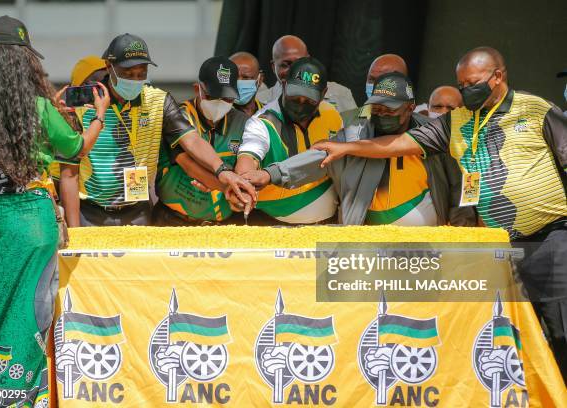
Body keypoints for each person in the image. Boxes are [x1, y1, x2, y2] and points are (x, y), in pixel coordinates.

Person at [314, 46, 567, 380]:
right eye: (461, 85)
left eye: (473, 83)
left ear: (498, 76)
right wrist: (348, 146)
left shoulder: (534, 109)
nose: (466, 92)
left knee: (562, 329)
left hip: (551, 238)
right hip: (502, 246)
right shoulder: (457, 121)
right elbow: (402, 143)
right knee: (515, 337)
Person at [0, 15, 110, 406]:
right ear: (24, 62)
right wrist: (99, 116)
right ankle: (16, 396)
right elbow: (75, 150)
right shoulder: (38, 107)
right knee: (28, 310)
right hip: (31, 220)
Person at [60, 33, 255, 227]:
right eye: (128, 74)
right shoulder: (80, 104)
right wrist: (76, 232)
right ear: (109, 67)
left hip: (138, 212)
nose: (135, 80)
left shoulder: (159, 101)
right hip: (89, 212)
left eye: (141, 73)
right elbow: (69, 172)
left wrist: (221, 171)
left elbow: (192, 140)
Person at [241, 72, 476, 227]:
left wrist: (462, 232)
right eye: (377, 108)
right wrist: (269, 174)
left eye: (390, 109)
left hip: (426, 249)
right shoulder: (357, 134)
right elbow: (320, 157)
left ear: (410, 107)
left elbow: (463, 180)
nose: (382, 115)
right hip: (366, 246)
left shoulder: (432, 135)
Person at [235, 57, 342, 225]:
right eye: (294, 98)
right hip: (273, 227)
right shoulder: (263, 122)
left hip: (326, 226)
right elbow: (248, 156)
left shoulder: (332, 116)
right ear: (284, 85)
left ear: (323, 93)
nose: (300, 104)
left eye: (308, 101)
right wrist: (244, 184)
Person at [155, 56, 249, 226]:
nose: (219, 103)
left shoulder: (243, 123)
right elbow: (188, 164)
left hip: (224, 226)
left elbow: (247, 166)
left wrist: (240, 194)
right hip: (173, 222)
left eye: (227, 98)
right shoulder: (177, 117)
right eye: (212, 96)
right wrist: (226, 186)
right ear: (197, 89)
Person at [49, 56, 108, 196]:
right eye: (92, 87)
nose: (98, 92)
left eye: (105, 83)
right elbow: (77, 153)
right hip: (58, 190)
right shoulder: (68, 115)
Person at [256, 35, 357, 113]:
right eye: (285, 65)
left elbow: (355, 138)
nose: (294, 71)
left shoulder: (340, 95)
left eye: (299, 63)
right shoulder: (259, 102)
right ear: (273, 67)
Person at [341, 53, 408, 127]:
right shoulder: (344, 121)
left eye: (383, 80)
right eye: (372, 79)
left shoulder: (419, 124)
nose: (375, 86)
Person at [229, 51, 264, 117]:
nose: (238, 82)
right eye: (233, 77)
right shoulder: (218, 115)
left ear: (260, 79)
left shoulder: (268, 112)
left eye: (246, 77)